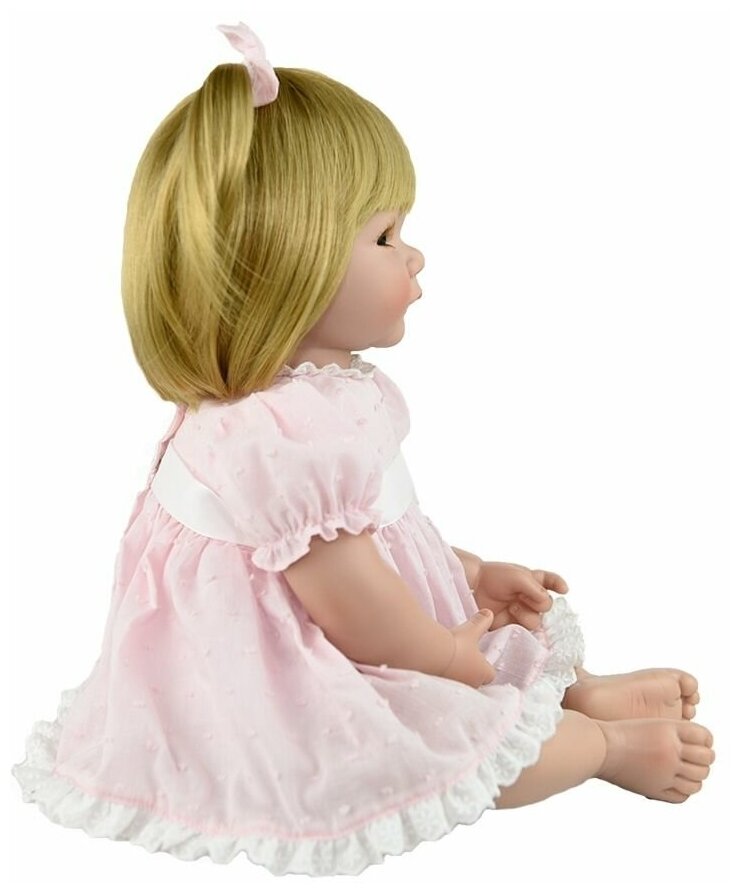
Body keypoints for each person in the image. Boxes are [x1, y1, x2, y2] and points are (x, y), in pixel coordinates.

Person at [11, 20, 715, 878]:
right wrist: (449, 656)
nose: (413, 254)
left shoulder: (316, 400)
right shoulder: (280, 436)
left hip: (358, 620)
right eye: (384, 237)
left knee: (489, 632)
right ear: (283, 267)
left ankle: (579, 692)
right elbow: (359, 614)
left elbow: (374, 535)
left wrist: (467, 571)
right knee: (440, 741)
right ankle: (603, 746)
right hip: (274, 675)